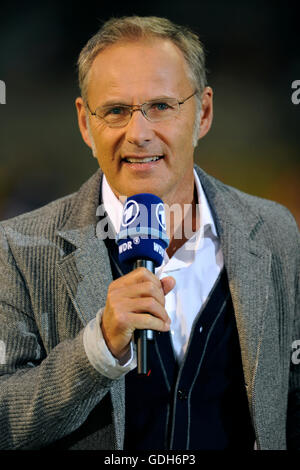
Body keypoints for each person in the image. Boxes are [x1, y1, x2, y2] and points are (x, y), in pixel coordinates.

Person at [0, 15, 299, 451]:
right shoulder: (17, 247)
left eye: (161, 106)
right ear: (86, 123)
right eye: (117, 110)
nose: (138, 134)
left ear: (204, 113)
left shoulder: (275, 230)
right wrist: (97, 349)